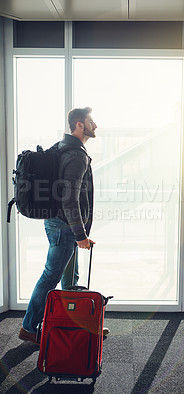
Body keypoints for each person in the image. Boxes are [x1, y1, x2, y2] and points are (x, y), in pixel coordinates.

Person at [19, 107, 109, 344]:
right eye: (91, 121)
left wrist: (80, 235)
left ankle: (75, 326)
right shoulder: (76, 155)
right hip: (64, 227)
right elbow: (69, 198)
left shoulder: (62, 147)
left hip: (59, 223)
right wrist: (80, 235)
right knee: (51, 276)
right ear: (79, 125)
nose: (95, 125)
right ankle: (29, 328)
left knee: (69, 278)